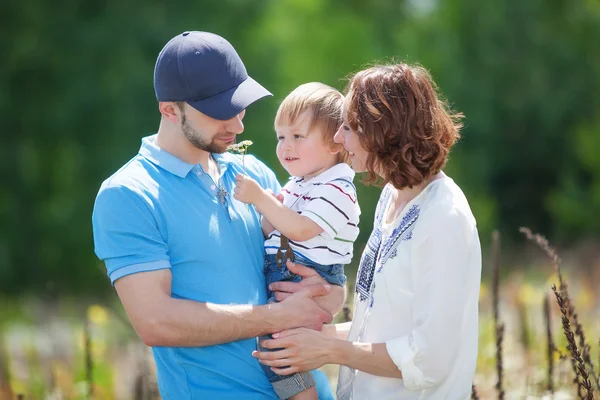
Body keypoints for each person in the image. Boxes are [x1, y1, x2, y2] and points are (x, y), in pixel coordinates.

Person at [91, 31, 344, 399]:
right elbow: (156, 322)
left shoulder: (254, 173)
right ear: (169, 109)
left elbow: (315, 266)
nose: (238, 125)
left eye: (239, 106)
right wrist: (277, 317)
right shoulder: (128, 195)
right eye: (220, 112)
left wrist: (330, 296)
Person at [253, 63, 482, 399]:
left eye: (348, 127)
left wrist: (329, 350)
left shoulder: (443, 218)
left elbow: (432, 359)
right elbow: (382, 326)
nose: (337, 138)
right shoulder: (392, 197)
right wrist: (315, 331)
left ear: (383, 130)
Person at [233, 82, 361, 399]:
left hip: (308, 274)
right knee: (278, 348)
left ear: (334, 144)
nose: (285, 146)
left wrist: (263, 200)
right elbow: (276, 229)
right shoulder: (300, 184)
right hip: (287, 274)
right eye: (281, 137)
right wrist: (270, 216)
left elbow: (302, 230)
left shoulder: (337, 188)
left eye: (297, 137)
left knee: (280, 348)